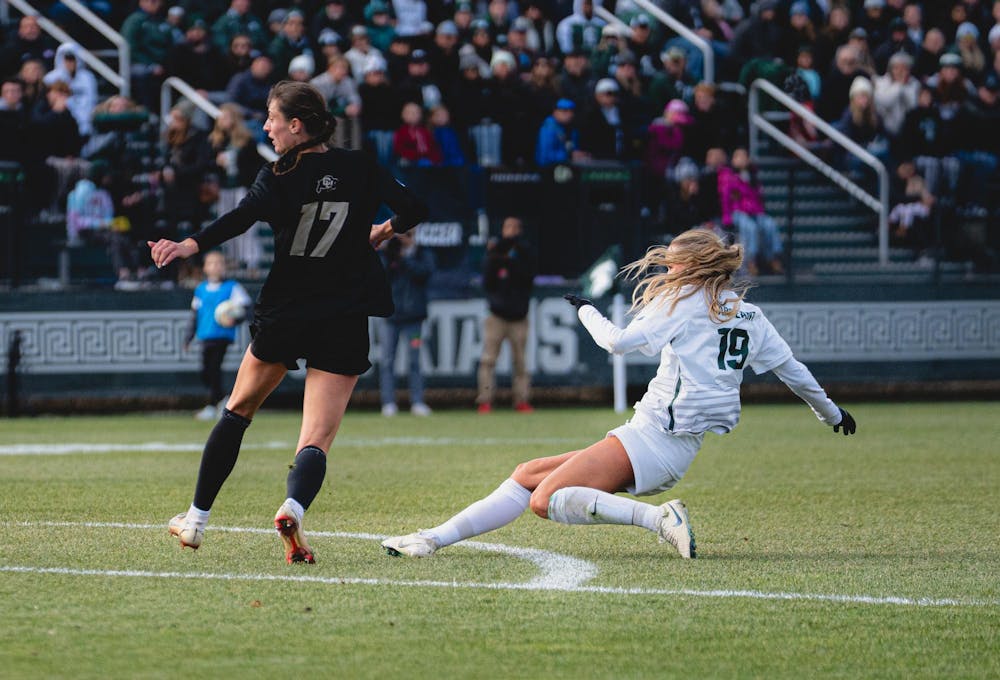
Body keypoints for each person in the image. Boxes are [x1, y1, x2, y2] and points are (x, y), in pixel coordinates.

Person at [381, 229, 857, 560]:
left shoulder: (684, 302)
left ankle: (658, 519)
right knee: (526, 475)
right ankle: (431, 539)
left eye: (673, 261)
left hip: (656, 438)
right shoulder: (749, 314)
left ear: (692, 266)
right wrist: (832, 414)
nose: (667, 267)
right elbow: (794, 373)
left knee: (544, 500)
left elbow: (617, 343)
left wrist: (586, 310)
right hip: (670, 443)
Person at [149, 80, 429, 564]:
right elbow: (415, 208)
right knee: (316, 438)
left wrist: (188, 245)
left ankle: (195, 519)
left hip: (287, 310)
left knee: (237, 412)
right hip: (344, 313)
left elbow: (239, 218)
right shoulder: (360, 165)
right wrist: (382, 231)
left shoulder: (279, 174)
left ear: (296, 126)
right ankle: (293, 507)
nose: (266, 127)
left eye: (272, 118)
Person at [477, 216, 536, 414]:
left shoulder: (525, 251)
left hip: (519, 316)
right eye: (508, 226)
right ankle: (485, 400)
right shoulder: (495, 251)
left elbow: (527, 277)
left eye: (515, 227)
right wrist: (497, 254)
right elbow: (487, 280)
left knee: (520, 362)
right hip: (496, 315)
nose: (511, 231)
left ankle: (521, 400)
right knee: (488, 360)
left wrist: (511, 259)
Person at [186, 251, 252, 420]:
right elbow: (194, 315)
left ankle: (213, 404)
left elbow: (245, 309)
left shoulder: (232, 287)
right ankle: (220, 400)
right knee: (206, 371)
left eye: (219, 263)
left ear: (224, 267)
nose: (216, 267)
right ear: (205, 268)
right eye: (212, 263)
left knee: (214, 369)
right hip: (205, 335)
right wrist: (188, 337)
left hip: (222, 336)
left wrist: (234, 319)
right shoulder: (201, 290)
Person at [378, 228, 435, 417]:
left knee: (414, 361)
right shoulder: (390, 253)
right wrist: (390, 253)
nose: (404, 238)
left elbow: (424, 273)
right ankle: (388, 402)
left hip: (414, 318)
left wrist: (406, 257)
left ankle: (417, 401)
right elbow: (380, 275)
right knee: (387, 361)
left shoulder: (422, 253)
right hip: (391, 317)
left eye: (408, 234)